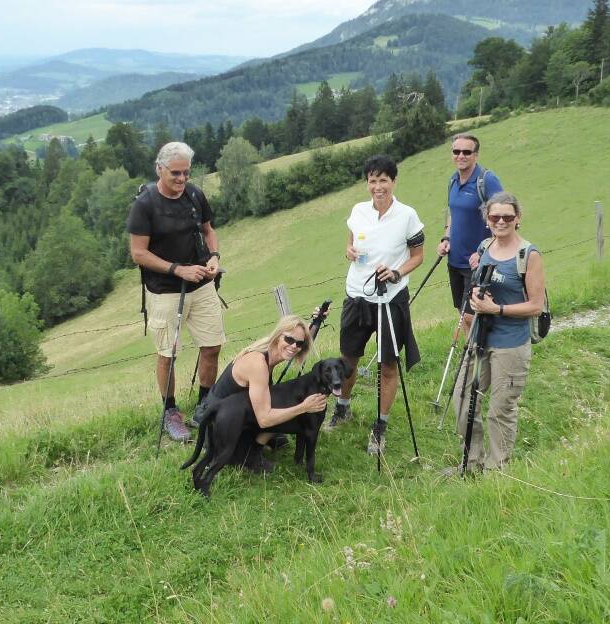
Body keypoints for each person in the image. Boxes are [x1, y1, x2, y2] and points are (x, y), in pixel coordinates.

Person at [127, 141, 225, 442]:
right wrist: (177, 269)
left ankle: (205, 405)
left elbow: (208, 230)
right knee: (168, 353)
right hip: (165, 291)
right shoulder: (145, 205)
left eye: (186, 173)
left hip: (203, 284)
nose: (182, 179)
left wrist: (213, 257)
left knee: (212, 346)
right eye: (175, 173)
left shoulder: (195, 194)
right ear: (160, 169)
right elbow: (138, 254)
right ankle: (170, 413)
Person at [328, 155, 425, 456]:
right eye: (373, 180)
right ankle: (343, 408)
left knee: (388, 364)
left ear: (393, 182)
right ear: (367, 183)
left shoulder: (407, 215)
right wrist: (349, 251)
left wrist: (397, 273)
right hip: (357, 295)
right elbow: (350, 241)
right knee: (348, 360)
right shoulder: (358, 211)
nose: (378, 186)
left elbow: (418, 255)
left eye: (383, 180)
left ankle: (380, 426)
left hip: (390, 298)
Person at [449, 192, 545, 473]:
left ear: (518, 219)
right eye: (494, 217)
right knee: (464, 399)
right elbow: (478, 289)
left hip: (510, 344)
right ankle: (471, 462)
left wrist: (497, 309)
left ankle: (496, 470)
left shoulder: (529, 255)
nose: (501, 221)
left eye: (507, 217)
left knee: (500, 409)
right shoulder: (484, 245)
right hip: (479, 338)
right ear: (486, 220)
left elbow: (536, 306)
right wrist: (477, 290)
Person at [193, 315, 328, 471]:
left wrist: (316, 322)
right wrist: (303, 407)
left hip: (237, 414)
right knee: (280, 413)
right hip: (220, 424)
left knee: (280, 412)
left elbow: (302, 341)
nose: (293, 346)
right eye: (289, 340)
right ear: (278, 336)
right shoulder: (258, 363)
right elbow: (264, 419)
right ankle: (248, 455)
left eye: (299, 344)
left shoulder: (269, 351)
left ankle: (253, 445)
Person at [436, 134, 503, 327]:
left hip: (477, 262)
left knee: (471, 315)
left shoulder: (486, 180)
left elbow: (503, 218)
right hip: (454, 260)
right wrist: (446, 238)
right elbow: (453, 214)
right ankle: (470, 355)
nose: (461, 156)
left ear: (476, 155)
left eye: (467, 152)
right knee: (462, 314)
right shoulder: (453, 180)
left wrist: (484, 251)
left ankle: (480, 352)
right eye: (456, 151)